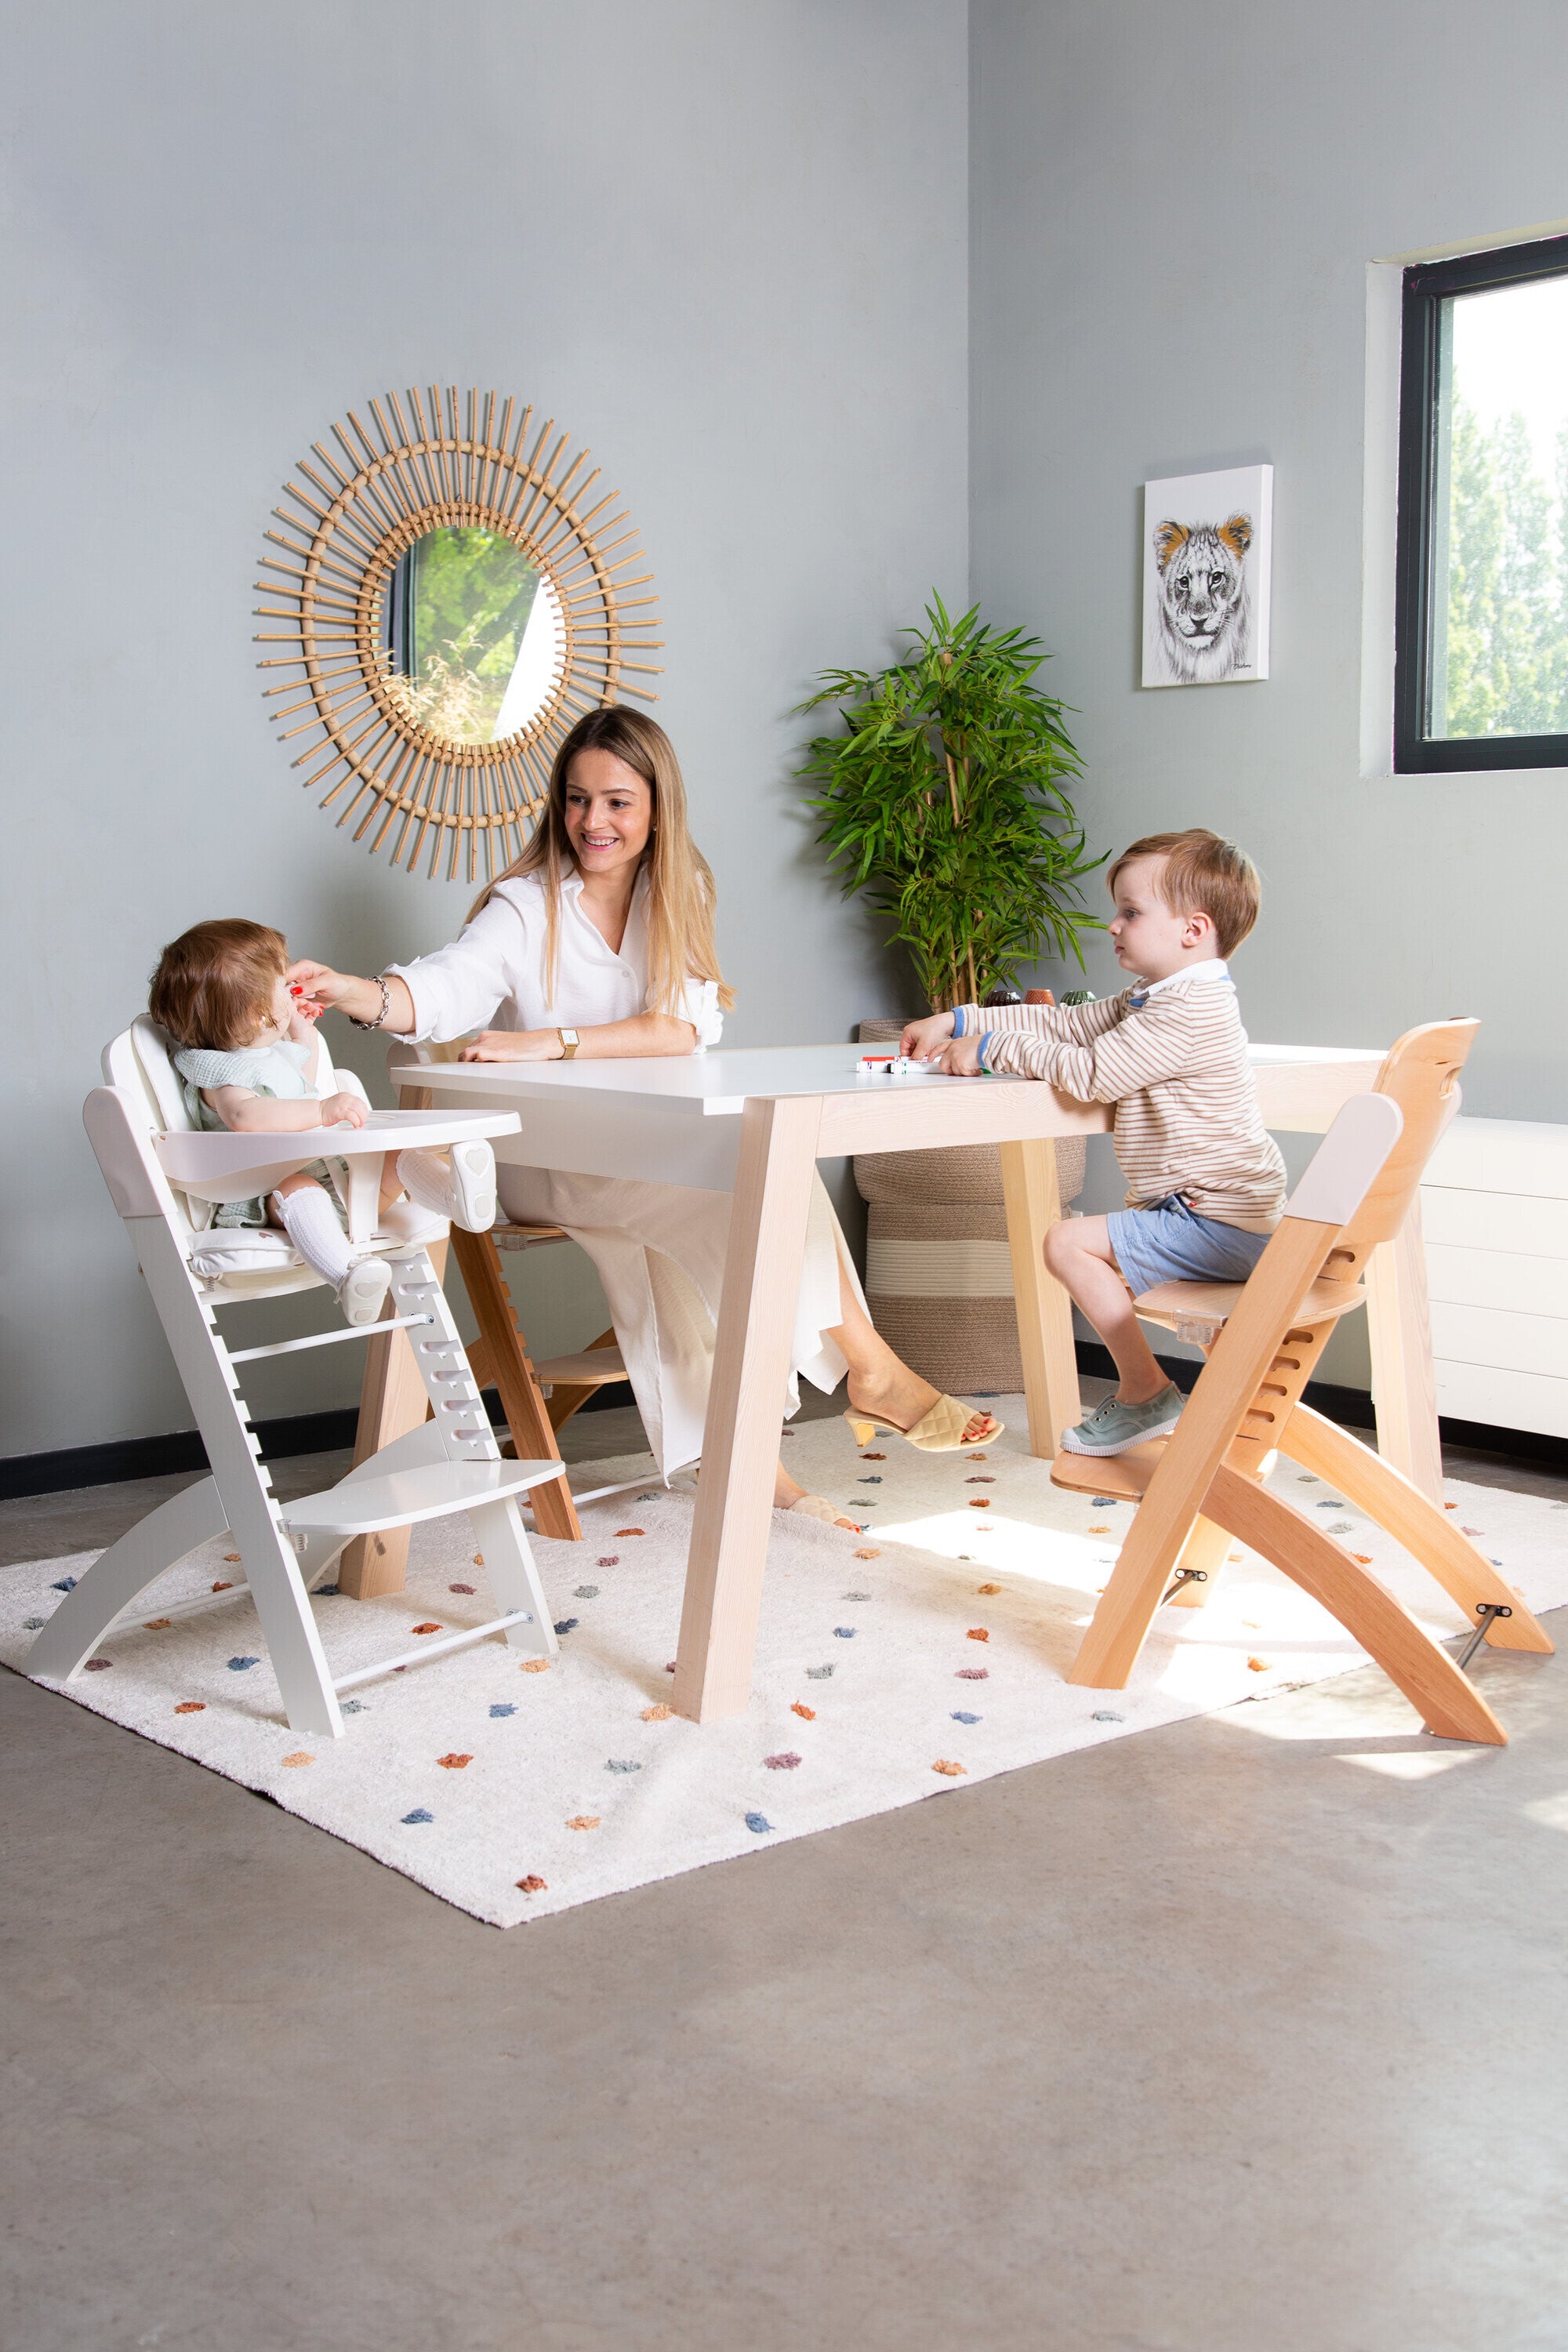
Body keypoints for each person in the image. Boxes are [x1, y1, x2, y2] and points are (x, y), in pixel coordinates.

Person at [289, 708, 999, 1519]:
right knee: (736, 1187)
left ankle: (758, 1458)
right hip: (538, 1159)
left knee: (765, 1170)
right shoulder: (524, 906)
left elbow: (682, 1026)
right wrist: (355, 992)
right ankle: (868, 1375)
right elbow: (444, 988)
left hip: (645, 1146)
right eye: (577, 798)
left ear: (658, 808)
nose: (593, 820)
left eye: (618, 802)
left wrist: (552, 1041)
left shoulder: (679, 892)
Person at [901, 829, 1286, 1457]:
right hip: (1211, 1216)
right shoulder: (1158, 998)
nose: (1114, 925)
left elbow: (1092, 1073)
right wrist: (959, 1019)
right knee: (1093, 1253)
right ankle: (1225, 1423)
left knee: (1066, 1243)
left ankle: (1144, 1391)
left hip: (1215, 1221)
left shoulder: (1189, 1010)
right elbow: (1067, 1023)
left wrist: (992, 1048)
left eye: (1131, 912)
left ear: (1193, 930)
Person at [147, 919, 498, 1326]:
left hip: (346, 1186)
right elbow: (245, 1115)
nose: (292, 988)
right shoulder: (220, 1070)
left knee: (398, 1154)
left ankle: (457, 1199)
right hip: (271, 1196)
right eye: (283, 985)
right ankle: (348, 1274)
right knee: (298, 1185)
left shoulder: (269, 1053)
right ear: (260, 1015)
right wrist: (320, 1112)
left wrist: (301, 1031)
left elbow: (305, 1083)